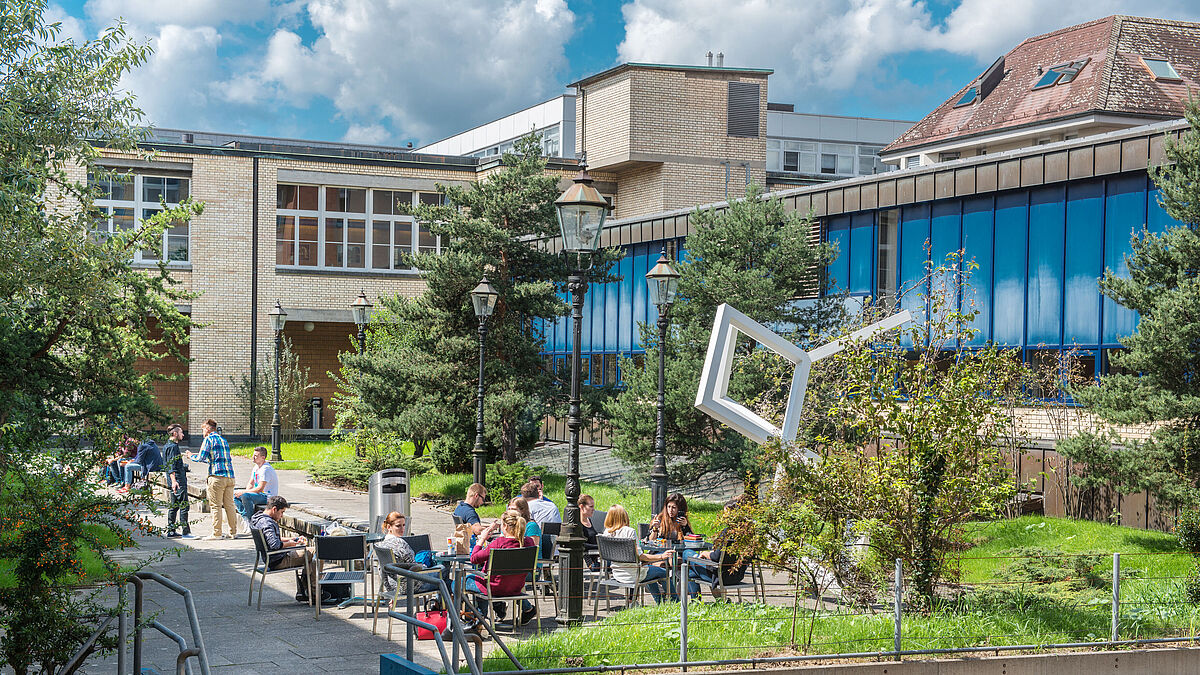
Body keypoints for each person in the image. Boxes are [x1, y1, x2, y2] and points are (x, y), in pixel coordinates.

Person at [464, 509, 538, 625]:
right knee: (483, 582)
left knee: (459, 582)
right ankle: (485, 615)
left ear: (506, 526)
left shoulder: (499, 543)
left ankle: (476, 618)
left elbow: (474, 559)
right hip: (516, 588)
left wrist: (482, 539)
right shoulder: (529, 542)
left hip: (493, 587)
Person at [604, 504, 674, 603]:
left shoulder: (606, 533)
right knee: (663, 572)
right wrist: (662, 556)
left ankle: (660, 602)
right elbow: (641, 556)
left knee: (651, 571)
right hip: (633, 574)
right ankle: (675, 602)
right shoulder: (629, 532)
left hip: (617, 573)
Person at [250, 495, 313, 603]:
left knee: (309, 554)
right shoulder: (267, 523)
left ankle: (305, 590)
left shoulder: (258, 518)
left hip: (271, 559)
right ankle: (313, 592)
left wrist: (291, 539)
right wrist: (291, 544)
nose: (282, 516)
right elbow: (274, 545)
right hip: (278, 560)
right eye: (282, 512)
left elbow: (271, 539)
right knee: (316, 552)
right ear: (274, 509)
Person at [683, 499, 750, 599]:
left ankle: (698, 600)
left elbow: (716, 557)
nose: (723, 517)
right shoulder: (748, 533)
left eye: (725, 514)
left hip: (721, 577)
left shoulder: (728, 533)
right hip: (738, 575)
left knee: (687, 554)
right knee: (690, 571)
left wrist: (705, 554)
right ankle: (716, 601)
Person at [190, 418, 238, 540]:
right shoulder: (223, 440)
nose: (202, 433)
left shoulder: (208, 439)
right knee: (230, 505)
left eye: (203, 430)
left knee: (216, 506)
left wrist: (191, 456)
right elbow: (218, 459)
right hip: (230, 477)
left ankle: (217, 533)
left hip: (216, 477)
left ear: (207, 429)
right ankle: (233, 532)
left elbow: (201, 457)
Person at [377, 511, 438, 596]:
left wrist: (389, 589)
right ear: (389, 527)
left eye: (403, 525)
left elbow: (381, 570)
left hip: (393, 586)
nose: (402, 529)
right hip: (411, 585)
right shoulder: (400, 544)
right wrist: (424, 566)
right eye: (398, 526)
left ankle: (439, 602)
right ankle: (443, 602)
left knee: (444, 580)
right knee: (443, 571)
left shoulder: (381, 545)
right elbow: (415, 567)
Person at [234, 446, 279, 532]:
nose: (253, 457)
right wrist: (243, 493)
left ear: (263, 457)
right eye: (253, 455)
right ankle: (246, 519)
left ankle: (251, 523)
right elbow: (251, 483)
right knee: (235, 495)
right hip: (259, 494)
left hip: (267, 496)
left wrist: (244, 493)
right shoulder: (256, 467)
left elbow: (260, 488)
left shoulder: (266, 469)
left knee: (246, 496)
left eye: (256, 456)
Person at [162, 424, 191, 538]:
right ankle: (186, 532)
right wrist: (174, 481)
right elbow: (171, 466)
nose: (183, 434)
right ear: (175, 433)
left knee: (174, 506)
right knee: (184, 506)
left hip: (174, 480)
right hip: (178, 481)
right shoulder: (173, 447)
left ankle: (171, 530)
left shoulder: (168, 446)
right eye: (181, 432)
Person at [579, 494, 600, 570]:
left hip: (597, 558)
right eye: (591, 506)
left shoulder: (589, 520)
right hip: (589, 562)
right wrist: (600, 546)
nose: (593, 509)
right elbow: (581, 544)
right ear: (582, 507)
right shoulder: (577, 524)